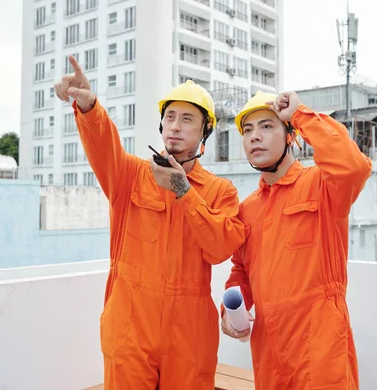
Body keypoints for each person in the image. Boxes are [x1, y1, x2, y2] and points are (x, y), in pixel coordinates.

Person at [54, 55, 245, 389]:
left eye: (187, 119)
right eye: (169, 117)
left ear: (205, 132)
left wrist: (183, 191)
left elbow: (220, 248)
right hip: (130, 326)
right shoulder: (130, 175)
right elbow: (103, 144)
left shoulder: (220, 191)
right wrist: (89, 105)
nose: (174, 125)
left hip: (189, 335)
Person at [221, 90, 372, 389]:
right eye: (247, 130)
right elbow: (241, 271)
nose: (255, 137)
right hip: (270, 354)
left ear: (290, 135)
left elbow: (354, 165)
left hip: (320, 349)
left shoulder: (322, 186)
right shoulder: (247, 209)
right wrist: (230, 310)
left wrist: (301, 115)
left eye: (267, 126)